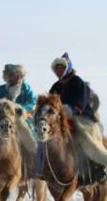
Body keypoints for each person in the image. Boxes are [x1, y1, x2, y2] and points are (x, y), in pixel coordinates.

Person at [44, 53, 107, 183]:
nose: (59, 71)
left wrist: (72, 109)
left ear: (67, 67)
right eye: (57, 69)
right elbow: (49, 101)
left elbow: (82, 101)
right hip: (60, 118)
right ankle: (42, 168)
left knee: (85, 137)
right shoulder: (56, 86)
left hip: (81, 116)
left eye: (61, 68)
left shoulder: (78, 82)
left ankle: (99, 168)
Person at [0, 64, 36, 178]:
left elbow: (32, 101)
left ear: (21, 76)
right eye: (10, 75)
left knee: (32, 141)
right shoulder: (0, 89)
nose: (14, 78)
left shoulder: (26, 88)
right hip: (3, 119)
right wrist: (7, 107)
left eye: (16, 75)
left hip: (21, 119)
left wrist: (22, 108)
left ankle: (34, 167)